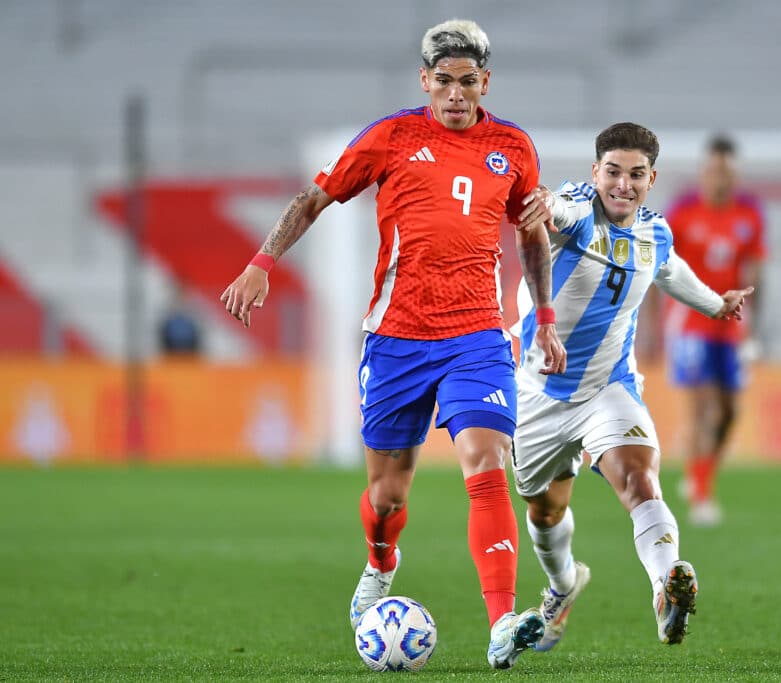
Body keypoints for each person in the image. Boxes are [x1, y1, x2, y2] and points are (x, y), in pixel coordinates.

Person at [219, 19, 566, 670]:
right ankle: (382, 559)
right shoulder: (392, 137)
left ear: (485, 82)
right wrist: (260, 263)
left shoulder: (514, 148)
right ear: (425, 81)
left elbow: (530, 232)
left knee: (484, 460)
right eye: (444, 81)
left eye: (468, 82)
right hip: (397, 338)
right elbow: (313, 197)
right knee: (388, 495)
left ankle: (501, 622)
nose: (456, 94)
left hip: (477, 335)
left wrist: (544, 315)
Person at [510, 123, 752, 651]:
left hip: (609, 389)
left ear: (652, 178)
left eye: (636, 175)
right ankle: (562, 586)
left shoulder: (654, 232)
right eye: (613, 172)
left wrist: (717, 304)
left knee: (640, 479)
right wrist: (545, 202)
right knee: (544, 511)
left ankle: (666, 589)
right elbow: (561, 209)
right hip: (539, 394)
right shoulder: (576, 209)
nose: (623, 185)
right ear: (595, 172)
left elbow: (670, 269)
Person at [662, 133, 766, 526]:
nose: (719, 179)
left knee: (728, 413)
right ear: (704, 172)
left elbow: (755, 271)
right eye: (713, 171)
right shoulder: (684, 213)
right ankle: (702, 495)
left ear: (733, 174)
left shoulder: (748, 216)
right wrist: (653, 326)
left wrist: (754, 326)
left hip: (732, 326)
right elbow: (661, 265)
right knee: (704, 407)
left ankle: (698, 473)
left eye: (726, 172)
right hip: (691, 322)